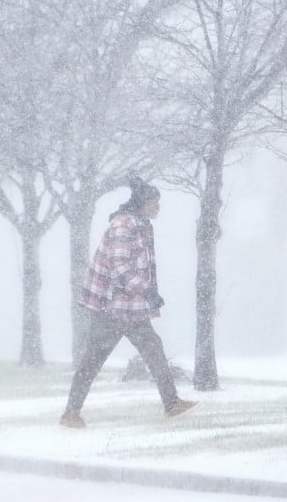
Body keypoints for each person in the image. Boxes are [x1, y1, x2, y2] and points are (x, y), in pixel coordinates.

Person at [60, 177, 197, 428]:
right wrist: (147, 291)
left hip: (129, 307)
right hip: (110, 307)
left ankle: (172, 403)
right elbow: (120, 267)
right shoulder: (123, 225)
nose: (158, 207)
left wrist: (148, 293)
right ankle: (70, 413)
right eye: (155, 202)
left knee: (153, 349)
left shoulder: (141, 224)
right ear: (144, 202)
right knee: (93, 359)